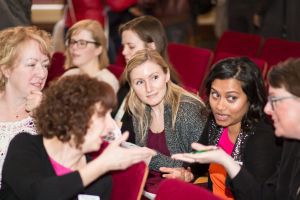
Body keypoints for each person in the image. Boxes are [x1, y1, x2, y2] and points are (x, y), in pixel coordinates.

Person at [0, 74, 154, 200]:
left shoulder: (101, 180)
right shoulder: (26, 146)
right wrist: (101, 166)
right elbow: (37, 194)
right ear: (74, 116)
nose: (110, 126)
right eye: (102, 116)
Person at [175, 58, 300, 199]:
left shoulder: (263, 139)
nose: (219, 106)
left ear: (251, 100)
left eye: (231, 98)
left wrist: (227, 162)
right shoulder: (216, 122)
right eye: (215, 95)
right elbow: (197, 164)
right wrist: (188, 173)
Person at [124, 49, 207, 194]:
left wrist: (152, 158)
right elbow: (129, 149)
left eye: (154, 77)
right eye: (139, 82)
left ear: (166, 75)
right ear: (132, 86)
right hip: (144, 190)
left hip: (179, 192)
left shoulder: (187, 111)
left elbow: (204, 164)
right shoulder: (137, 109)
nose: (148, 88)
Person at [114, 15, 181, 143]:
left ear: (151, 47)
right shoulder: (127, 79)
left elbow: (141, 139)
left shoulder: (161, 90)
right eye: (123, 46)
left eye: (131, 46)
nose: (123, 52)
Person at [0, 26, 52, 187]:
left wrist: (44, 117)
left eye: (45, 65)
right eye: (31, 65)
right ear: (6, 69)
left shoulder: (53, 111)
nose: (42, 73)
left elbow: (62, 172)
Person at [63, 19, 119, 93]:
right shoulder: (68, 75)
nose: (74, 47)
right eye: (72, 42)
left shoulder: (106, 81)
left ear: (98, 49)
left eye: (82, 43)